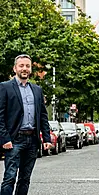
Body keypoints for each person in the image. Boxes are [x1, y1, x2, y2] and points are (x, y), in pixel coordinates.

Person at [0, 54, 52, 195]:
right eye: (21, 65)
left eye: (27, 66)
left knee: (25, 178)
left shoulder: (37, 90)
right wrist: (5, 139)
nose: (25, 68)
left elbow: (42, 115)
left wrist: (46, 138)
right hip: (14, 139)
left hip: (32, 140)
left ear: (30, 69)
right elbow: (0, 115)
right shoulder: (5, 87)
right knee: (10, 177)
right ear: (15, 68)